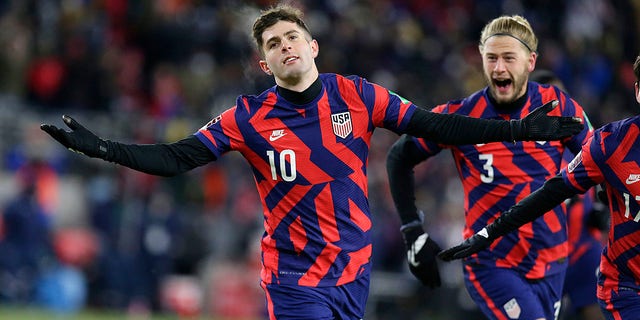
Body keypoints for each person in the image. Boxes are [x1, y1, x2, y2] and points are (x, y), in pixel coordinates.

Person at [39, 4, 583, 319]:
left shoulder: (357, 95)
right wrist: (104, 148)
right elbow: (176, 158)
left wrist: (516, 130)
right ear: (264, 60)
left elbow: (433, 126)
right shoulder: (248, 118)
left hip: (354, 271)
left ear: (313, 45)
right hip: (295, 276)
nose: (285, 46)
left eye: (292, 36)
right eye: (273, 43)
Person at [386, 15, 592, 320]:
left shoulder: (558, 107)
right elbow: (398, 156)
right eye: (491, 58)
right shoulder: (460, 116)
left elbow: (601, 155)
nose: (498, 68)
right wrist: (412, 230)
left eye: (509, 58)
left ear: (530, 62)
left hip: (551, 260)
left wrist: (604, 199)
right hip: (491, 261)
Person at [439, 52, 640, 320]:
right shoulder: (610, 144)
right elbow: (548, 194)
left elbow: (604, 189)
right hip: (553, 262)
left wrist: (601, 207)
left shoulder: (582, 138)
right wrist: (488, 233)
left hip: (579, 250)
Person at [530, 70, 607, 320]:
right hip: (542, 260)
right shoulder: (521, 152)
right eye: (551, 100)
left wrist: (599, 208)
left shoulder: (582, 140)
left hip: (584, 249)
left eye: (563, 97)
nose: (560, 105)